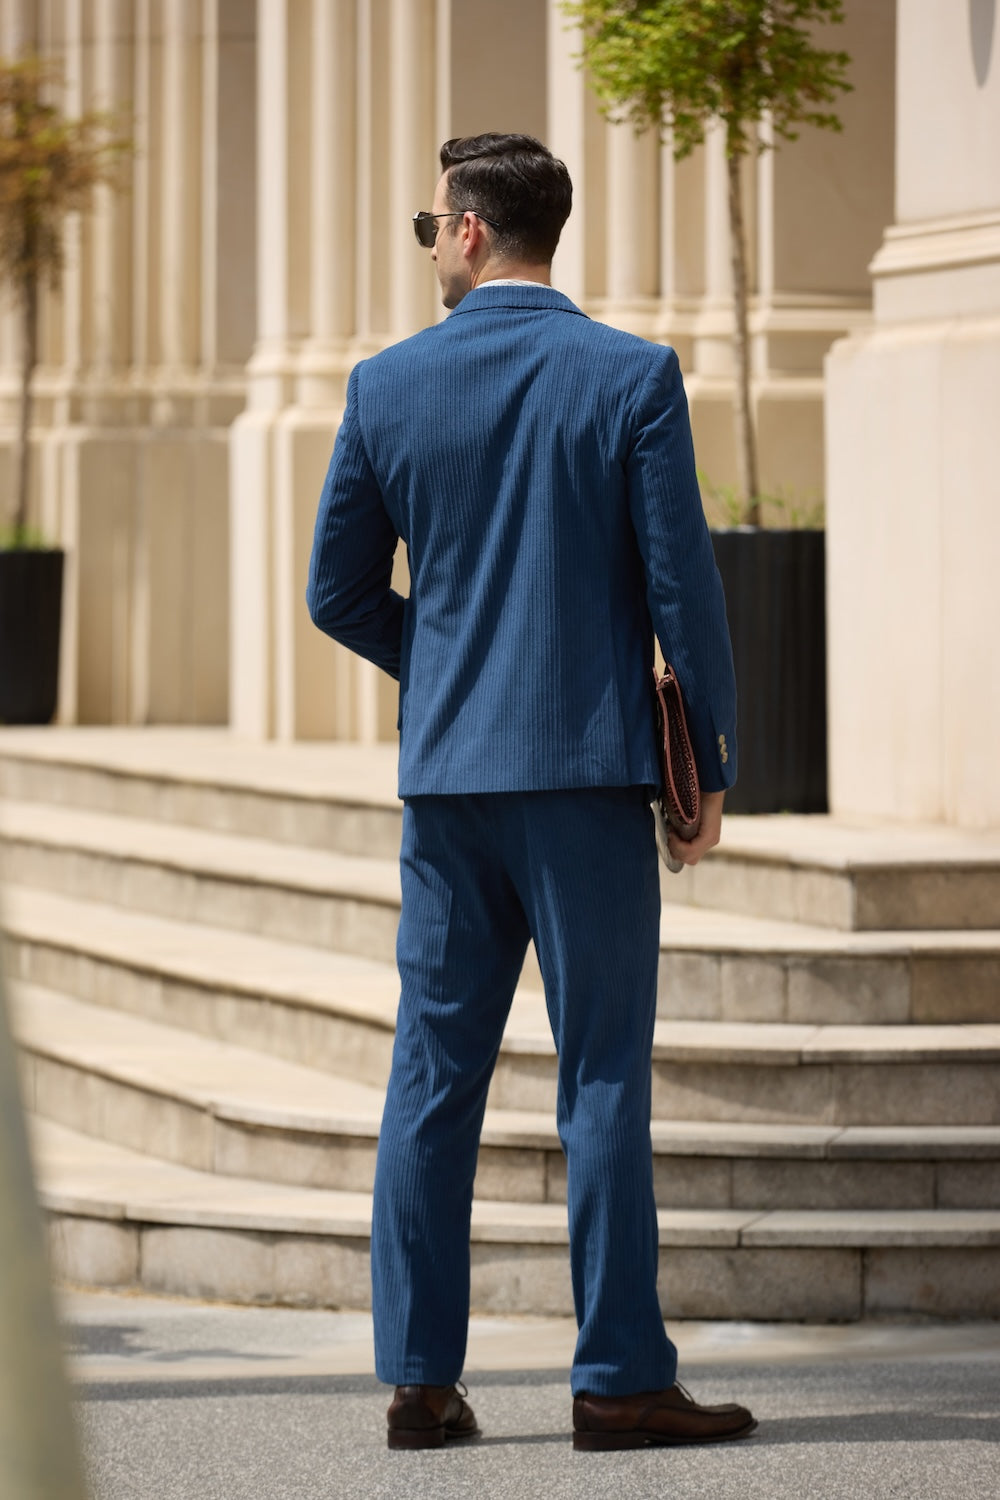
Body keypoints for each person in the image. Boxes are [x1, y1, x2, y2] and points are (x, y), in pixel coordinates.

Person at [307, 132, 755, 1452]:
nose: (429, 246)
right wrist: (708, 767)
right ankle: (616, 1377)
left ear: (465, 232)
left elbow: (336, 592)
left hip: (450, 787)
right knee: (601, 1076)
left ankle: (419, 1382)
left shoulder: (386, 387)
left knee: (430, 1079)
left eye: (427, 226)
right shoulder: (631, 378)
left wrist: (441, 666)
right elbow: (688, 596)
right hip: (585, 775)